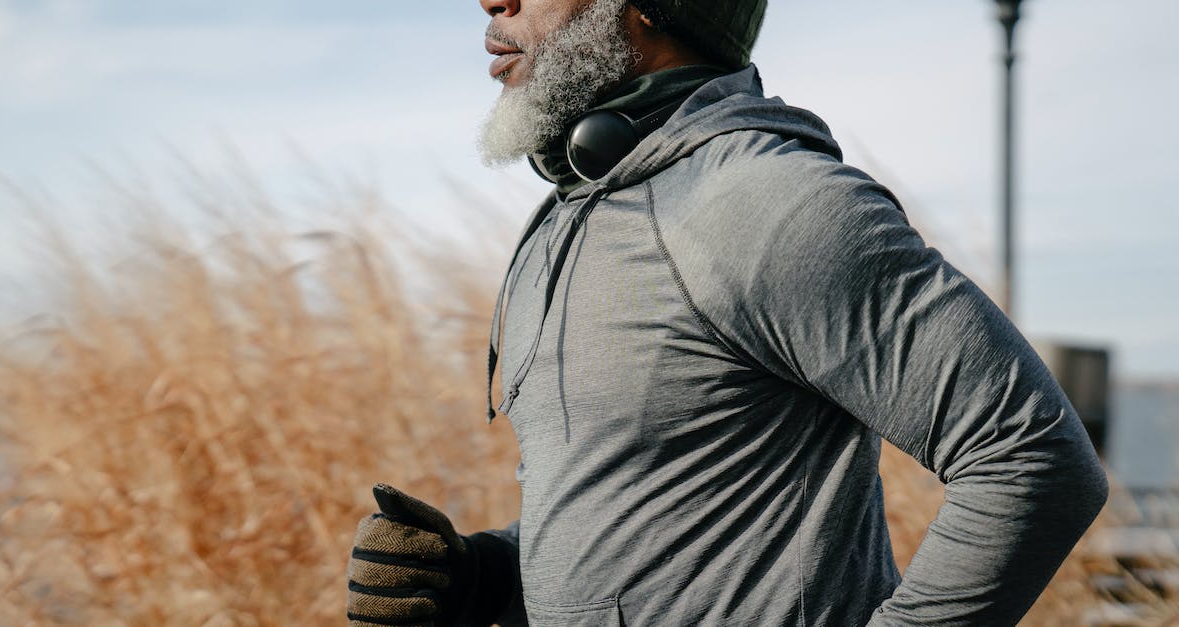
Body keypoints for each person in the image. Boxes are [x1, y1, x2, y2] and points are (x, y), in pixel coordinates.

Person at [346, 1, 1110, 625]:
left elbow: (1034, 458)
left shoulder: (773, 203)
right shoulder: (574, 216)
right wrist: (479, 575)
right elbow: (646, 515)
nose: (491, 1)